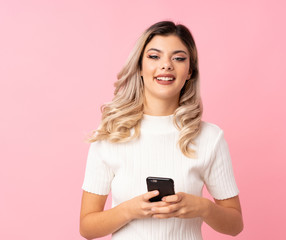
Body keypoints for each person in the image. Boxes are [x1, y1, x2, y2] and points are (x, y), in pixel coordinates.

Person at [79, 21, 243, 240]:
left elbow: (235, 225)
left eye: (178, 58)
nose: (166, 65)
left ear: (189, 72)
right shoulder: (112, 134)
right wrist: (130, 210)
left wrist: (203, 208)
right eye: (154, 56)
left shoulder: (210, 137)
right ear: (139, 67)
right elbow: (87, 228)